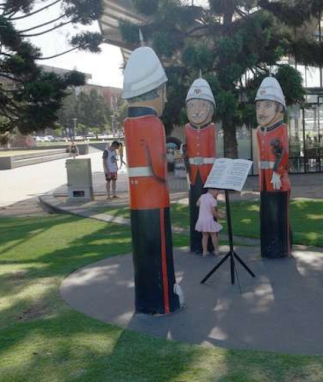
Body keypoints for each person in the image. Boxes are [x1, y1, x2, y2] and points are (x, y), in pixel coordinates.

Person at [122, 42, 183, 315]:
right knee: (159, 254)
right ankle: (165, 300)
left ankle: (145, 300)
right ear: (156, 91)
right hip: (155, 202)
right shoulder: (153, 124)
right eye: (163, 93)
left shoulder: (129, 124)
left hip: (137, 203)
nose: (166, 99)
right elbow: (159, 169)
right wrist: (171, 160)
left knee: (143, 255)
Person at [255, 76, 292, 259]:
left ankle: (282, 248)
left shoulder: (281, 129)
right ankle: (268, 248)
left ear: (279, 109)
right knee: (267, 215)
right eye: (259, 105)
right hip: (264, 180)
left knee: (279, 215)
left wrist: (277, 173)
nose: (261, 111)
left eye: (267, 105)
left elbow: (283, 153)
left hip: (277, 180)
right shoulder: (259, 131)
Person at [183, 76, 217, 254]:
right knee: (195, 209)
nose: (196, 111)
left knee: (209, 207)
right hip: (193, 174)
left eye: (201, 105)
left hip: (207, 173)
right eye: (192, 106)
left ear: (210, 109)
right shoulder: (187, 128)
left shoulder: (211, 128)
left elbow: (211, 153)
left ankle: (210, 245)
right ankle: (197, 244)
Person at [195, 189, 223, 257]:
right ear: (211, 191)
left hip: (201, 219)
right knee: (213, 234)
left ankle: (204, 252)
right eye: (217, 191)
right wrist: (219, 216)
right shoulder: (213, 200)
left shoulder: (202, 196)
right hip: (208, 220)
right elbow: (213, 212)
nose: (218, 193)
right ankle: (216, 250)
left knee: (205, 236)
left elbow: (197, 204)